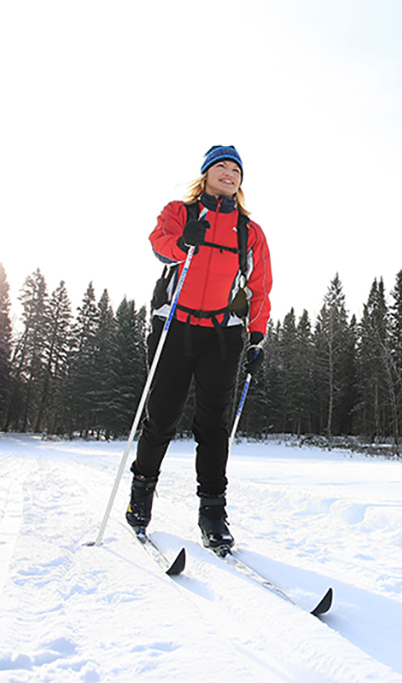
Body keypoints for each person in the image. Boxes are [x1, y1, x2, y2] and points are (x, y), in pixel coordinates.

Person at [125, 144, 271, 551]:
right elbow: (159, 243)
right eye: (221, 167)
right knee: (162, 417)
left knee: (213, 425)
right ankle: (141, 496)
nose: (229, 174)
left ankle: (213, 514)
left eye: (235, 169)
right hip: (175, 327)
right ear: (206, 174)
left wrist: (256, 336)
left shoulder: (250, 231)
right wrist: (182, 242)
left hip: (222, 335)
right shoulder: (181, 212)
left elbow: (259, 288)